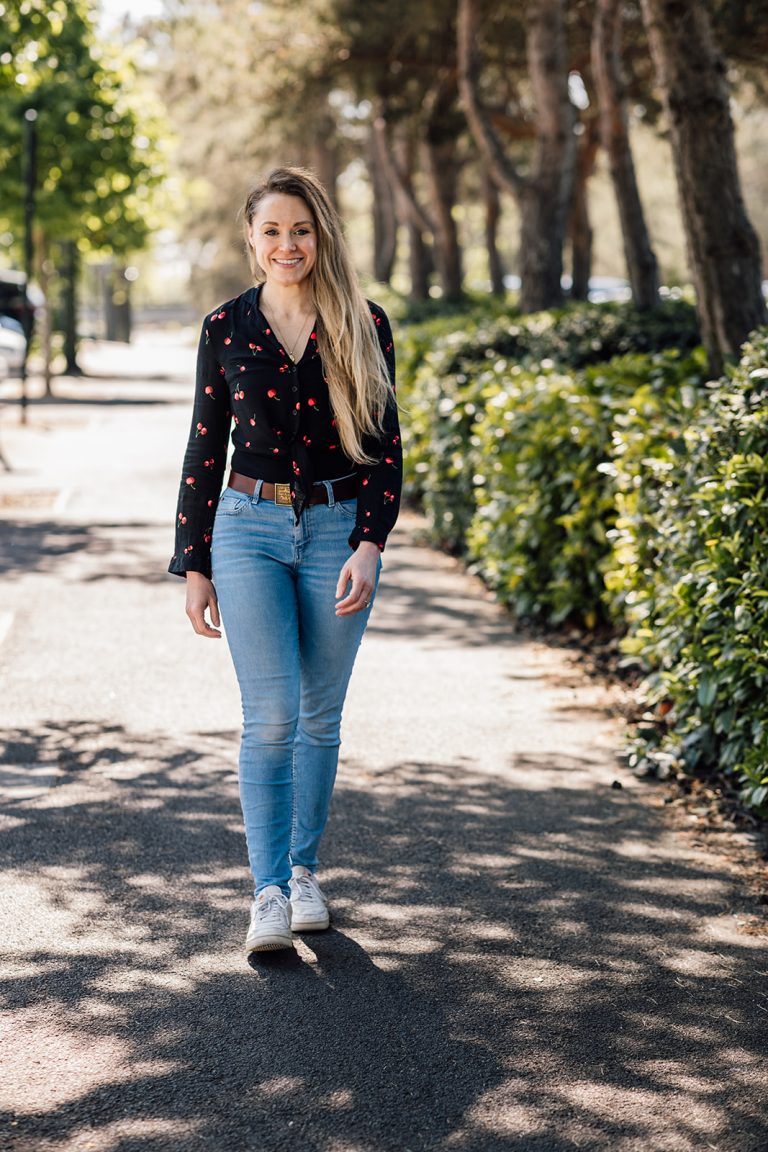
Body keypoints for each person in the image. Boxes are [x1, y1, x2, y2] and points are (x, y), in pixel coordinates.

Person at [169, 167, 402, 955]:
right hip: (246, 529)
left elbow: (383, 448)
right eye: (271, 230)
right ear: (251, 239)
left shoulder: (363, 324)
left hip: (338, 532)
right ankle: (266, 891)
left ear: (321, 235)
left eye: (300, 229)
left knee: (318, 719)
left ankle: (304, 873)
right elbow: (206, 446)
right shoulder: (225, 328)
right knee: (268, 719)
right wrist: (193, 562)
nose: (286, 244)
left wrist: (370, 544)